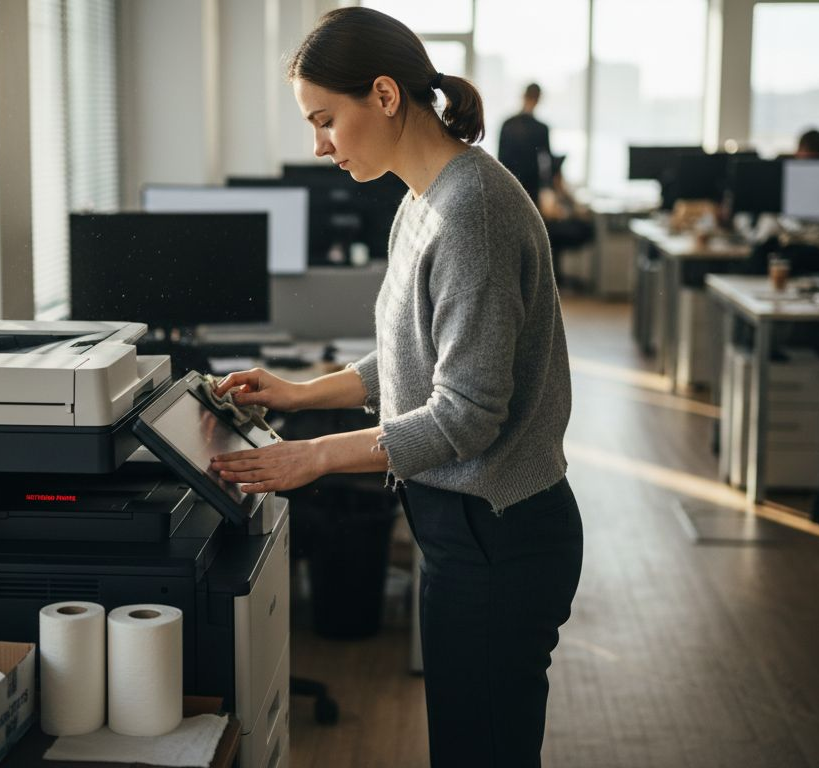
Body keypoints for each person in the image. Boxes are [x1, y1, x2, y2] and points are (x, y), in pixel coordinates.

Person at [208, 7, 583, 767]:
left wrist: (311, 460)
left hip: (497, 534)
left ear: (383, 95)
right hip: (461, 525)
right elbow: (413, 358)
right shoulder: (422, 200)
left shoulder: (469, 211)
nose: (318, 145)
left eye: (325, 120)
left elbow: (467, 415)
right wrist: (297, 394)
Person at [497, 83, 592, 276]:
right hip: (532, 191)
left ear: (523, 96)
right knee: (534, 236)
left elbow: (499, 162)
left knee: (514, 238)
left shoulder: (506, 124)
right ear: (538, 99)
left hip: (508, 190)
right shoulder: (541, 128)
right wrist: (552, 194)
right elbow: (547, 167)